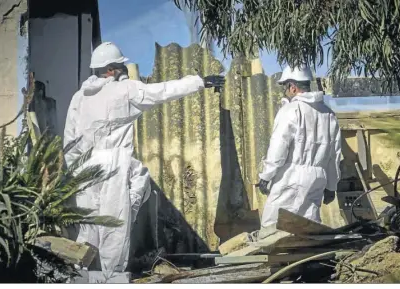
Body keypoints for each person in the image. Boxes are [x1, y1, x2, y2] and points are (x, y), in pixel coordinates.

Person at [63, 42, 224, 282]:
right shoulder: (125, 90)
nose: (122, 70)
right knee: (114, 229)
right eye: (119, 66)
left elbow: (70, 140)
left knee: (87, 230)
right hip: (112, 165)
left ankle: (79, 278)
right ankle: (111, 280)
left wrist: (74, 173)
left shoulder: (78, 98)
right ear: (110, 69)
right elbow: (163, 91)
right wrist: (200, 81)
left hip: (84, 169)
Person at [257, 65, 342, 229]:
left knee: (273, 227)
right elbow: (334, 154)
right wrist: (331, 186)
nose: (285, 92)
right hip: (318, 177)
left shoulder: (290, 110)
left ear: (292, 87)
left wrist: (266, 175)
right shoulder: (328, 114)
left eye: (285, 88)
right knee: (308, 227)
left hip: (291, 177)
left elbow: (278, 147)